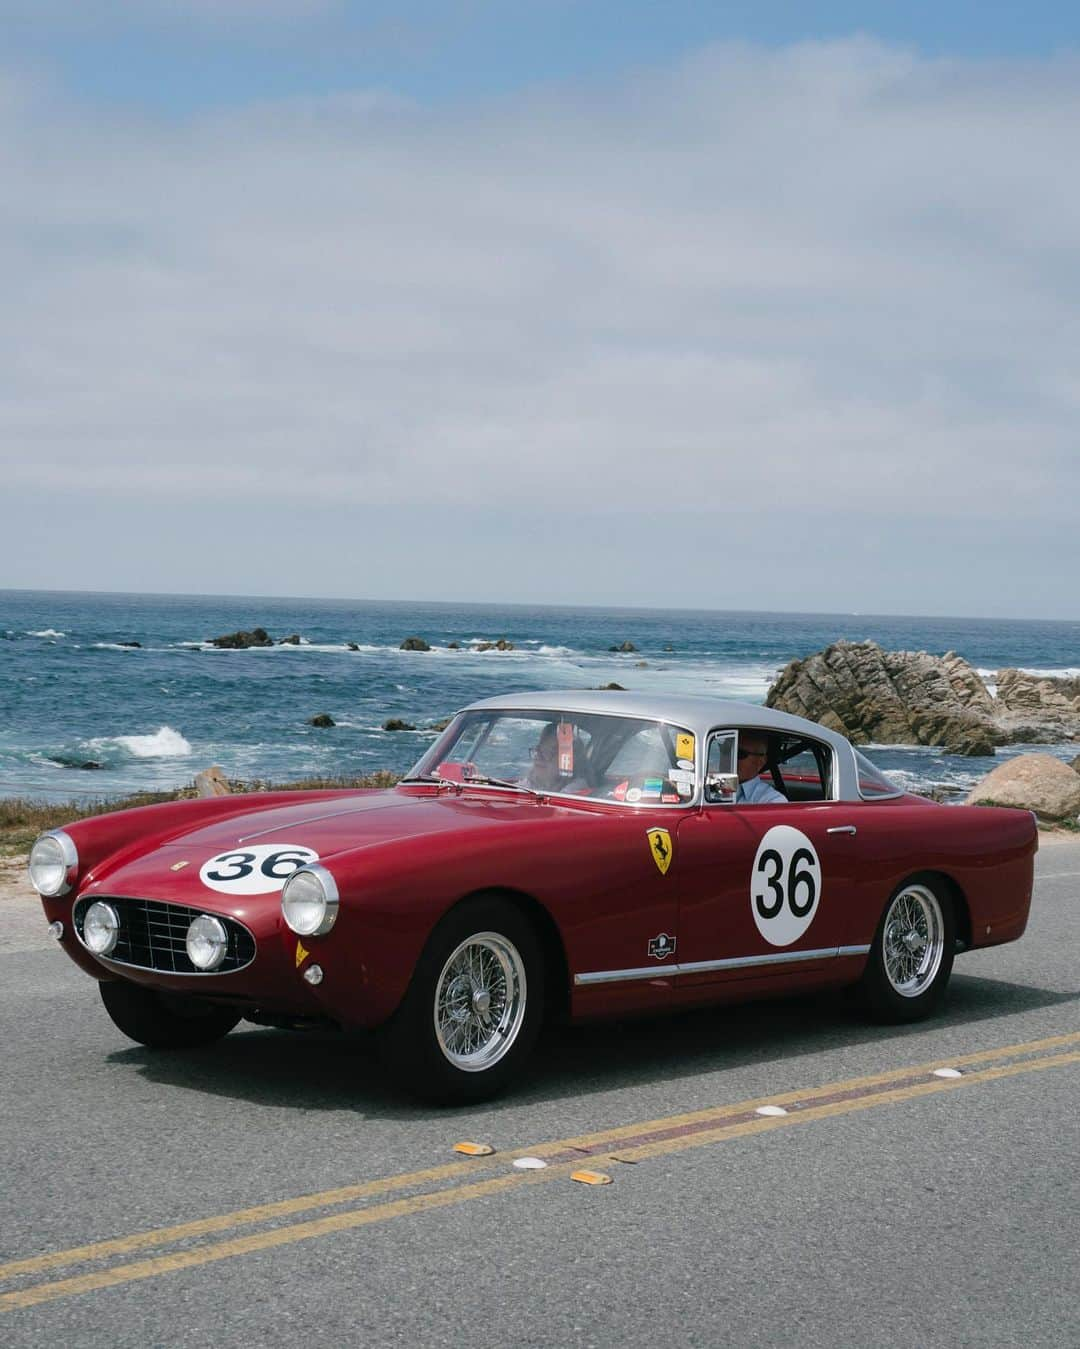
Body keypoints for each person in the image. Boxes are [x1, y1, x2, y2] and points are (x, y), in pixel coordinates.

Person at [525, 723, 591, 795]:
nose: (538, 757)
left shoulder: (576, 791)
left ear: (568, 759)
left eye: (548, 751)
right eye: (538, 750)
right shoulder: (533, 780)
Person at [736, 733, 786, 804]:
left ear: (760, 761)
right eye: (725, 749)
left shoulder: (772, 800)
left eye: (739, 753)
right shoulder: (716, 789)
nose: (729, 757)